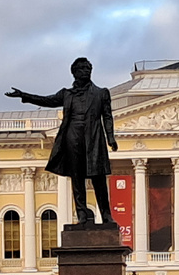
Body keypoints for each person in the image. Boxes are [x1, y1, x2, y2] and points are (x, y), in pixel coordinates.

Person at [6, 57, 118, 226]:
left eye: (88, 68)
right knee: (77, 178)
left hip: (94, 138)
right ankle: (81, 213)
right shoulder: (67, 94)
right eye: (82, 69)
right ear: (74, 73)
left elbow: (107, 116)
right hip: (73, 138)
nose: (86, 71)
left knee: (99, 178)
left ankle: (106, 214)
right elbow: (47, 100)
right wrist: (24, 96)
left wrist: (111, 137)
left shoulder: (101, 93)